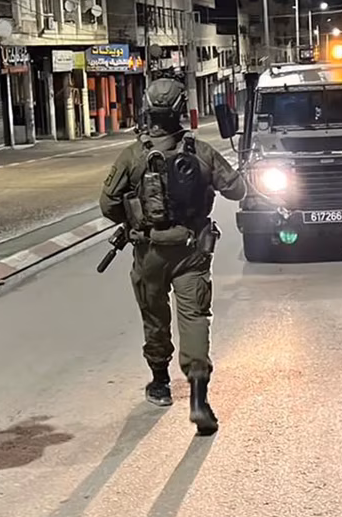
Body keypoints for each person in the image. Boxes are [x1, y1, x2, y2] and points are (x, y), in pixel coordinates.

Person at [100, 78, 246, 436]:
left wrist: (135, 217)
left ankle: (160, 383)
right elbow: (237, 190)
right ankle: (198, 398)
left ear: (148, 109)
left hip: (148, 251)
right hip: (192, 251)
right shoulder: (201, 151)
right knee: (194, 317)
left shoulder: (134, 155)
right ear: (181, 110)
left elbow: (108, 205)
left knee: (154, 316)